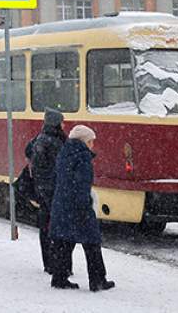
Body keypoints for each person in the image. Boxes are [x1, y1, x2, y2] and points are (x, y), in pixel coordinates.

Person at [49, 125, 114, 292]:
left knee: (64, 242)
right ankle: (98, 280)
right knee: (92, 243)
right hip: (78, 206)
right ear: (85, 141)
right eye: (91, 141)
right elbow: (82, 184)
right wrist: (84, 206)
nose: (93, 145)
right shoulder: (83, 157)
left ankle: (59, 278)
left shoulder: (64, 153)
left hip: (61, 203)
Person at [26, 108, 67, 275]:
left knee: (45, 225)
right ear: (56, 123)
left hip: (42, 188)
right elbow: (61, 165)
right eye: (62, 122)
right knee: (54, 226)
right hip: (52, 189)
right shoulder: (55, 141)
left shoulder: (40, 138)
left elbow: (28, 151)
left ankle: (49, 262)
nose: (64, 125)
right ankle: (55, 264)